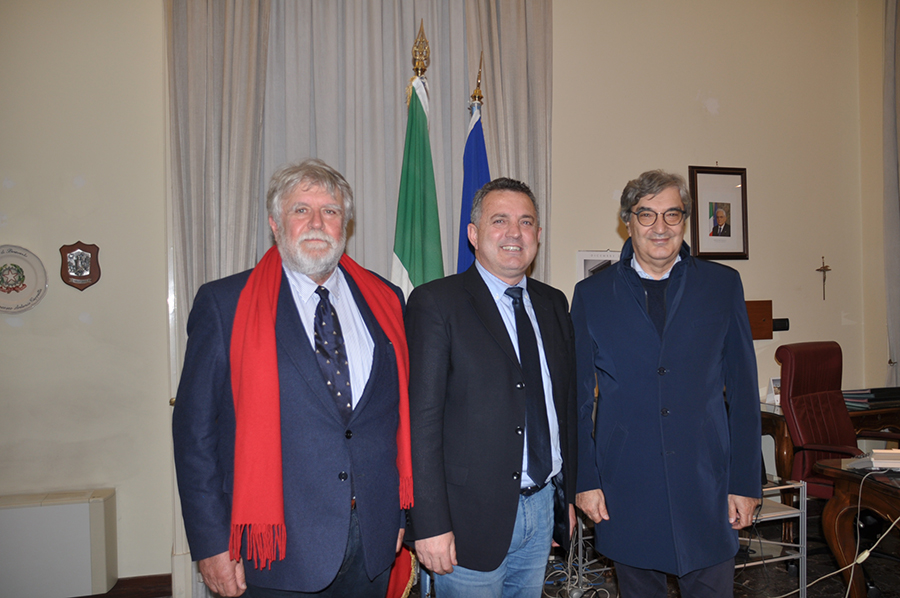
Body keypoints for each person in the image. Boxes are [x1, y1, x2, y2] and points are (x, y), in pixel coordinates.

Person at [172, 159, 412, 597]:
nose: (317, 223)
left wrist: (397, 516)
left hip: (373, 541)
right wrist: (211, 545)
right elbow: (195, 436)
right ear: (275, 223)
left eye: (330, 211)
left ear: (345, 224)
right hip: (277, 551)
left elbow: (391, 421)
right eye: (302, 210)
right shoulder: (225, 305)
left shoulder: (386, 300)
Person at [572, 170, 761, 598]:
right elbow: (578, 400)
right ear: (628, 221)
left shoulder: (722, 285)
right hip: (626, 486)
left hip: (708, 485)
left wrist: (745, 484)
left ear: (685, 221)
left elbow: (744, 394)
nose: (660, 227)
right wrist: (585, 480)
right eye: (647, 214)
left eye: (672, 214)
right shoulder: (591, 295)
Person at [406, 178, 577, 598]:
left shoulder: (554, 303)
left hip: (542, 508)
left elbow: (564, 408)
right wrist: (429, 524)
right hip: (466, 519)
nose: (514, 233)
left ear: (538, 234)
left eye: (526, 222)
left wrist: (566, 501)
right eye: (499, 220)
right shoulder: (436, 303)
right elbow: (420, 425)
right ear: (473, 233)